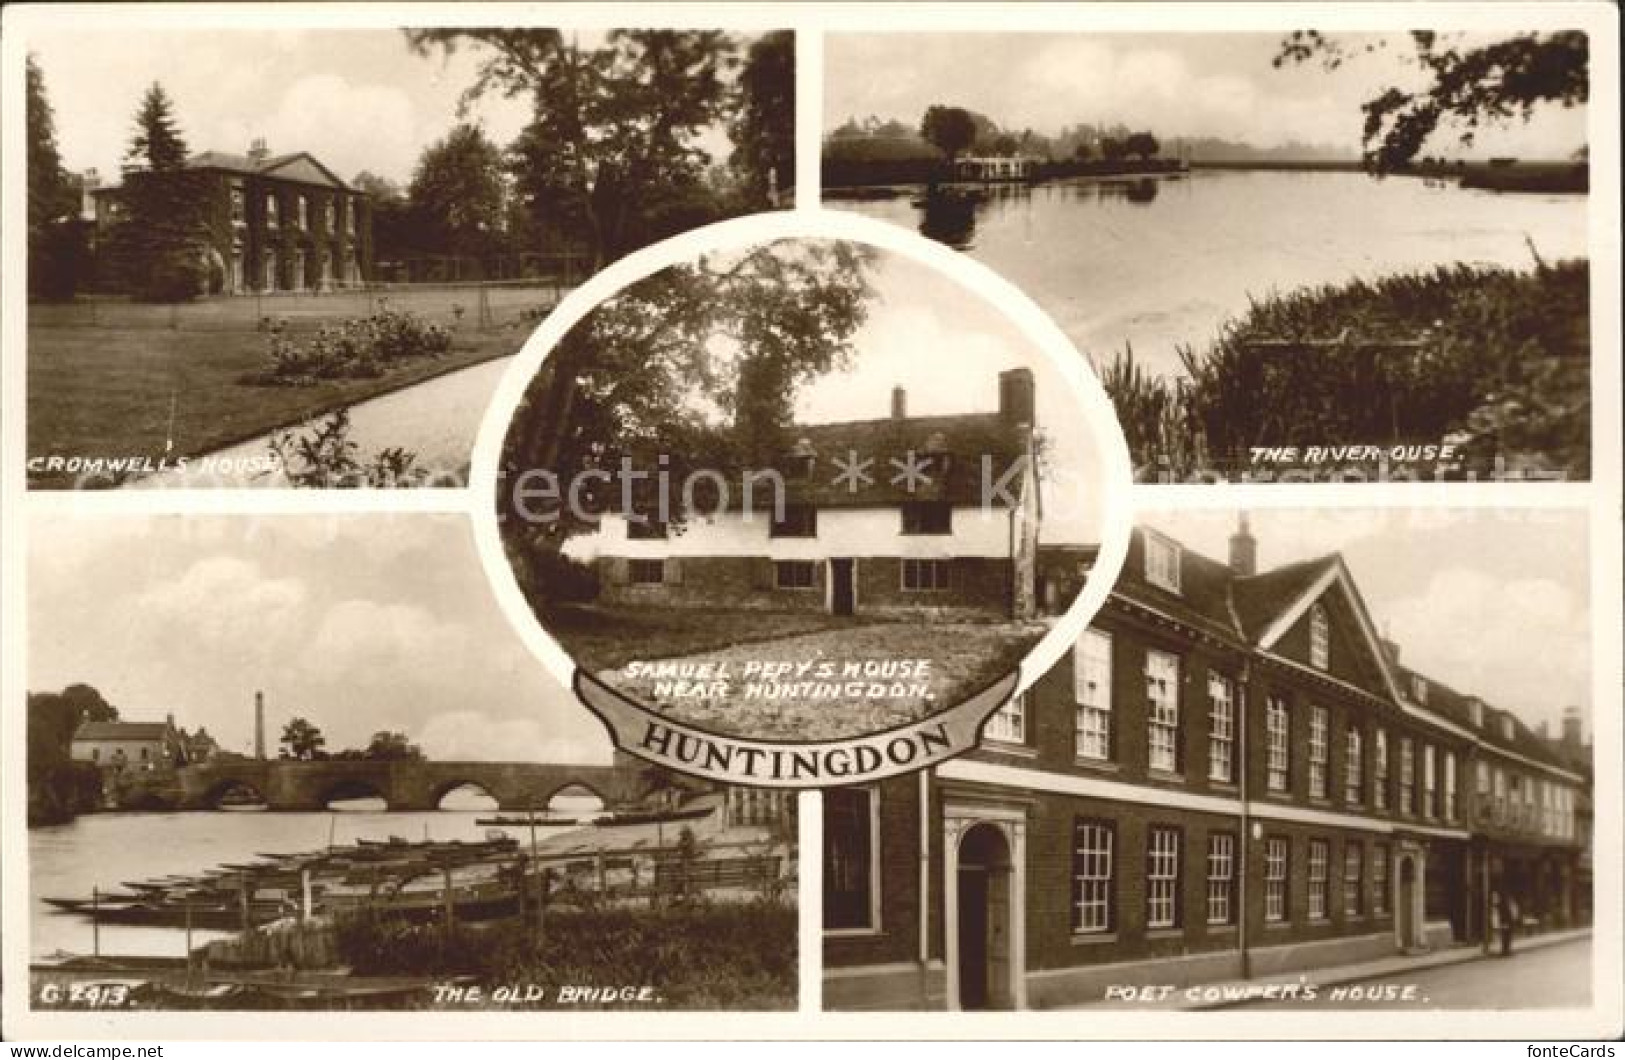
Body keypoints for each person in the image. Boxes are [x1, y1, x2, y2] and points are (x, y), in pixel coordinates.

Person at [1497, 889, 1518, 957]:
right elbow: (1510, 912)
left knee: (1506, 936)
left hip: (1507, 921)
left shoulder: (1504, 903)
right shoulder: (1504, 903)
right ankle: (1506, 951)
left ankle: (1506, 951)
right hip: (1507, 921)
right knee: (1506, 936)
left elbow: (1510, 912)